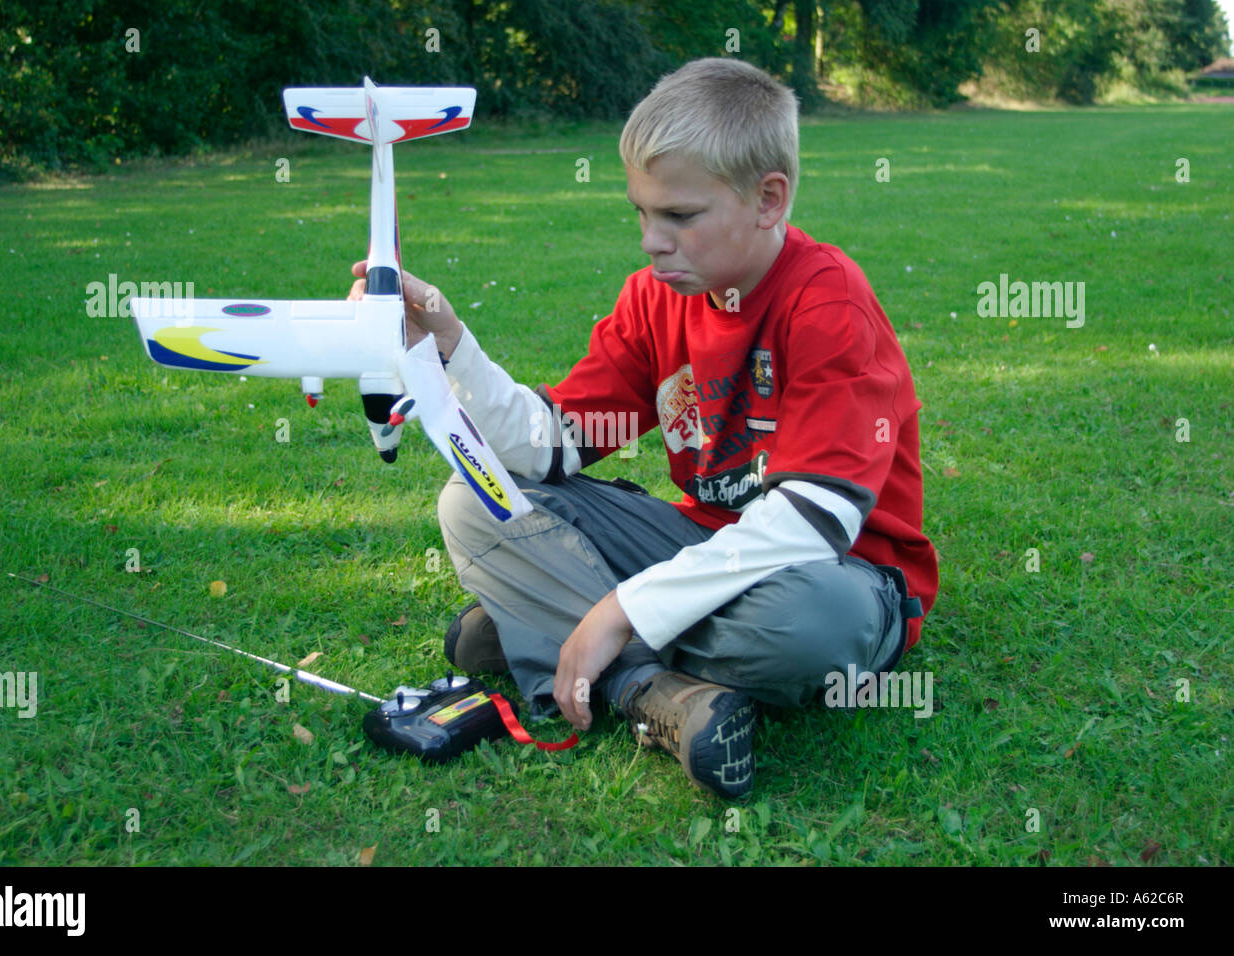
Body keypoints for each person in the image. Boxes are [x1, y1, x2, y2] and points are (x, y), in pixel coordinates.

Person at [349, 57, 937, 799]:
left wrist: (621, 606)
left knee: (816, 628)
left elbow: (813, 523)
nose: (651, 240)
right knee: (472, 499)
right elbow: (545, 443)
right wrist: (448, 345)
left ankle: (547, 621)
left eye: (680, 217)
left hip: (838, 574)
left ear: (768, 199)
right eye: (641, 212)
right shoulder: (653, 299)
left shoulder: (827, 305)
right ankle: (651, 694)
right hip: (705, 546)